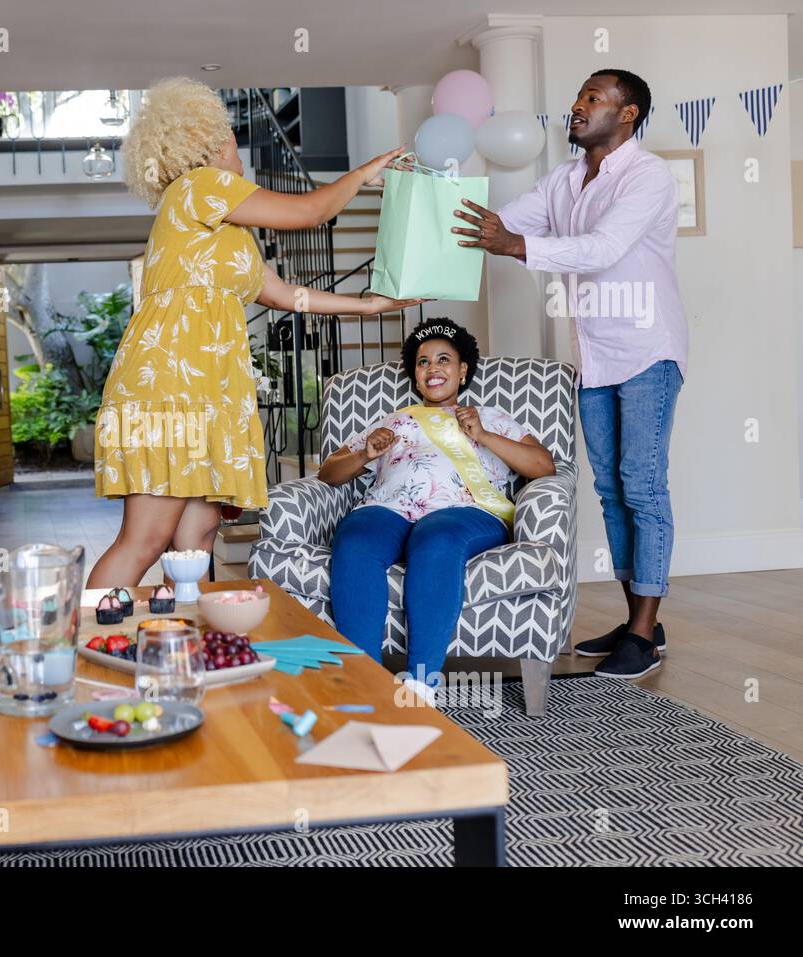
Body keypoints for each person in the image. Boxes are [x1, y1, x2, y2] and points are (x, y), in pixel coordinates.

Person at [88, 77, 424, 588]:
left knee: (195, 543)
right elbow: (310, 212)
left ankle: (187, 656)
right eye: (228, 137)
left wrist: (369, 306)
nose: (236, 147)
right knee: (145, 541)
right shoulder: (200, 187)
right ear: (208, 144)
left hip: (211, 390)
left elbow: (285, 295)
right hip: (170, 389)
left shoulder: (230, 228)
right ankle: (81, 654)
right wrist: (363, 173)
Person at [450, 69, 686, 679]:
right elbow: (501, 221)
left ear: (628, 113)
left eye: (592, 98)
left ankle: (642, 632)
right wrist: (432, 201)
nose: (576, 107)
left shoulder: (648, 177)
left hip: (646, 351)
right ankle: (641, 619)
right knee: (611, 491)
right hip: (596, 356)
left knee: (642, 486)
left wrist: (520, 248)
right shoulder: (564, 180)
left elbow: (603, 249)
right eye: (579, 96)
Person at [321, 319, 556, 703]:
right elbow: (329, 474)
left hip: (462, 513)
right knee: (355, 537)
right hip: (388, 509)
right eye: (423, 362)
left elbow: (544, 466)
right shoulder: (395, 420)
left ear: (463, 370)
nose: (433, 369)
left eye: (444, 360)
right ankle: (363, 683)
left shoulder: (490, 416)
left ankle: (420, 685)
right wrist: (365, 452)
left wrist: (482, 436)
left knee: (436, 537)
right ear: (415, 375)